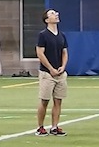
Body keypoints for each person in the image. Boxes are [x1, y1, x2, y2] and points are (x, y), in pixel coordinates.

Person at [35, 9, 68, 137]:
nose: (56, 15)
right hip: (47, 74)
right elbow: (40, 53)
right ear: (47, 19)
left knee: (58, 101)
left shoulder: (62, 35)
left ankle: (54, 127)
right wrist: (50, 69)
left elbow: (65, 52)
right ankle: (40, 127)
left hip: (60, 74)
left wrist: (63, 66)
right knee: (44, 100)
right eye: (53, 14)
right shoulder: (42, 35)